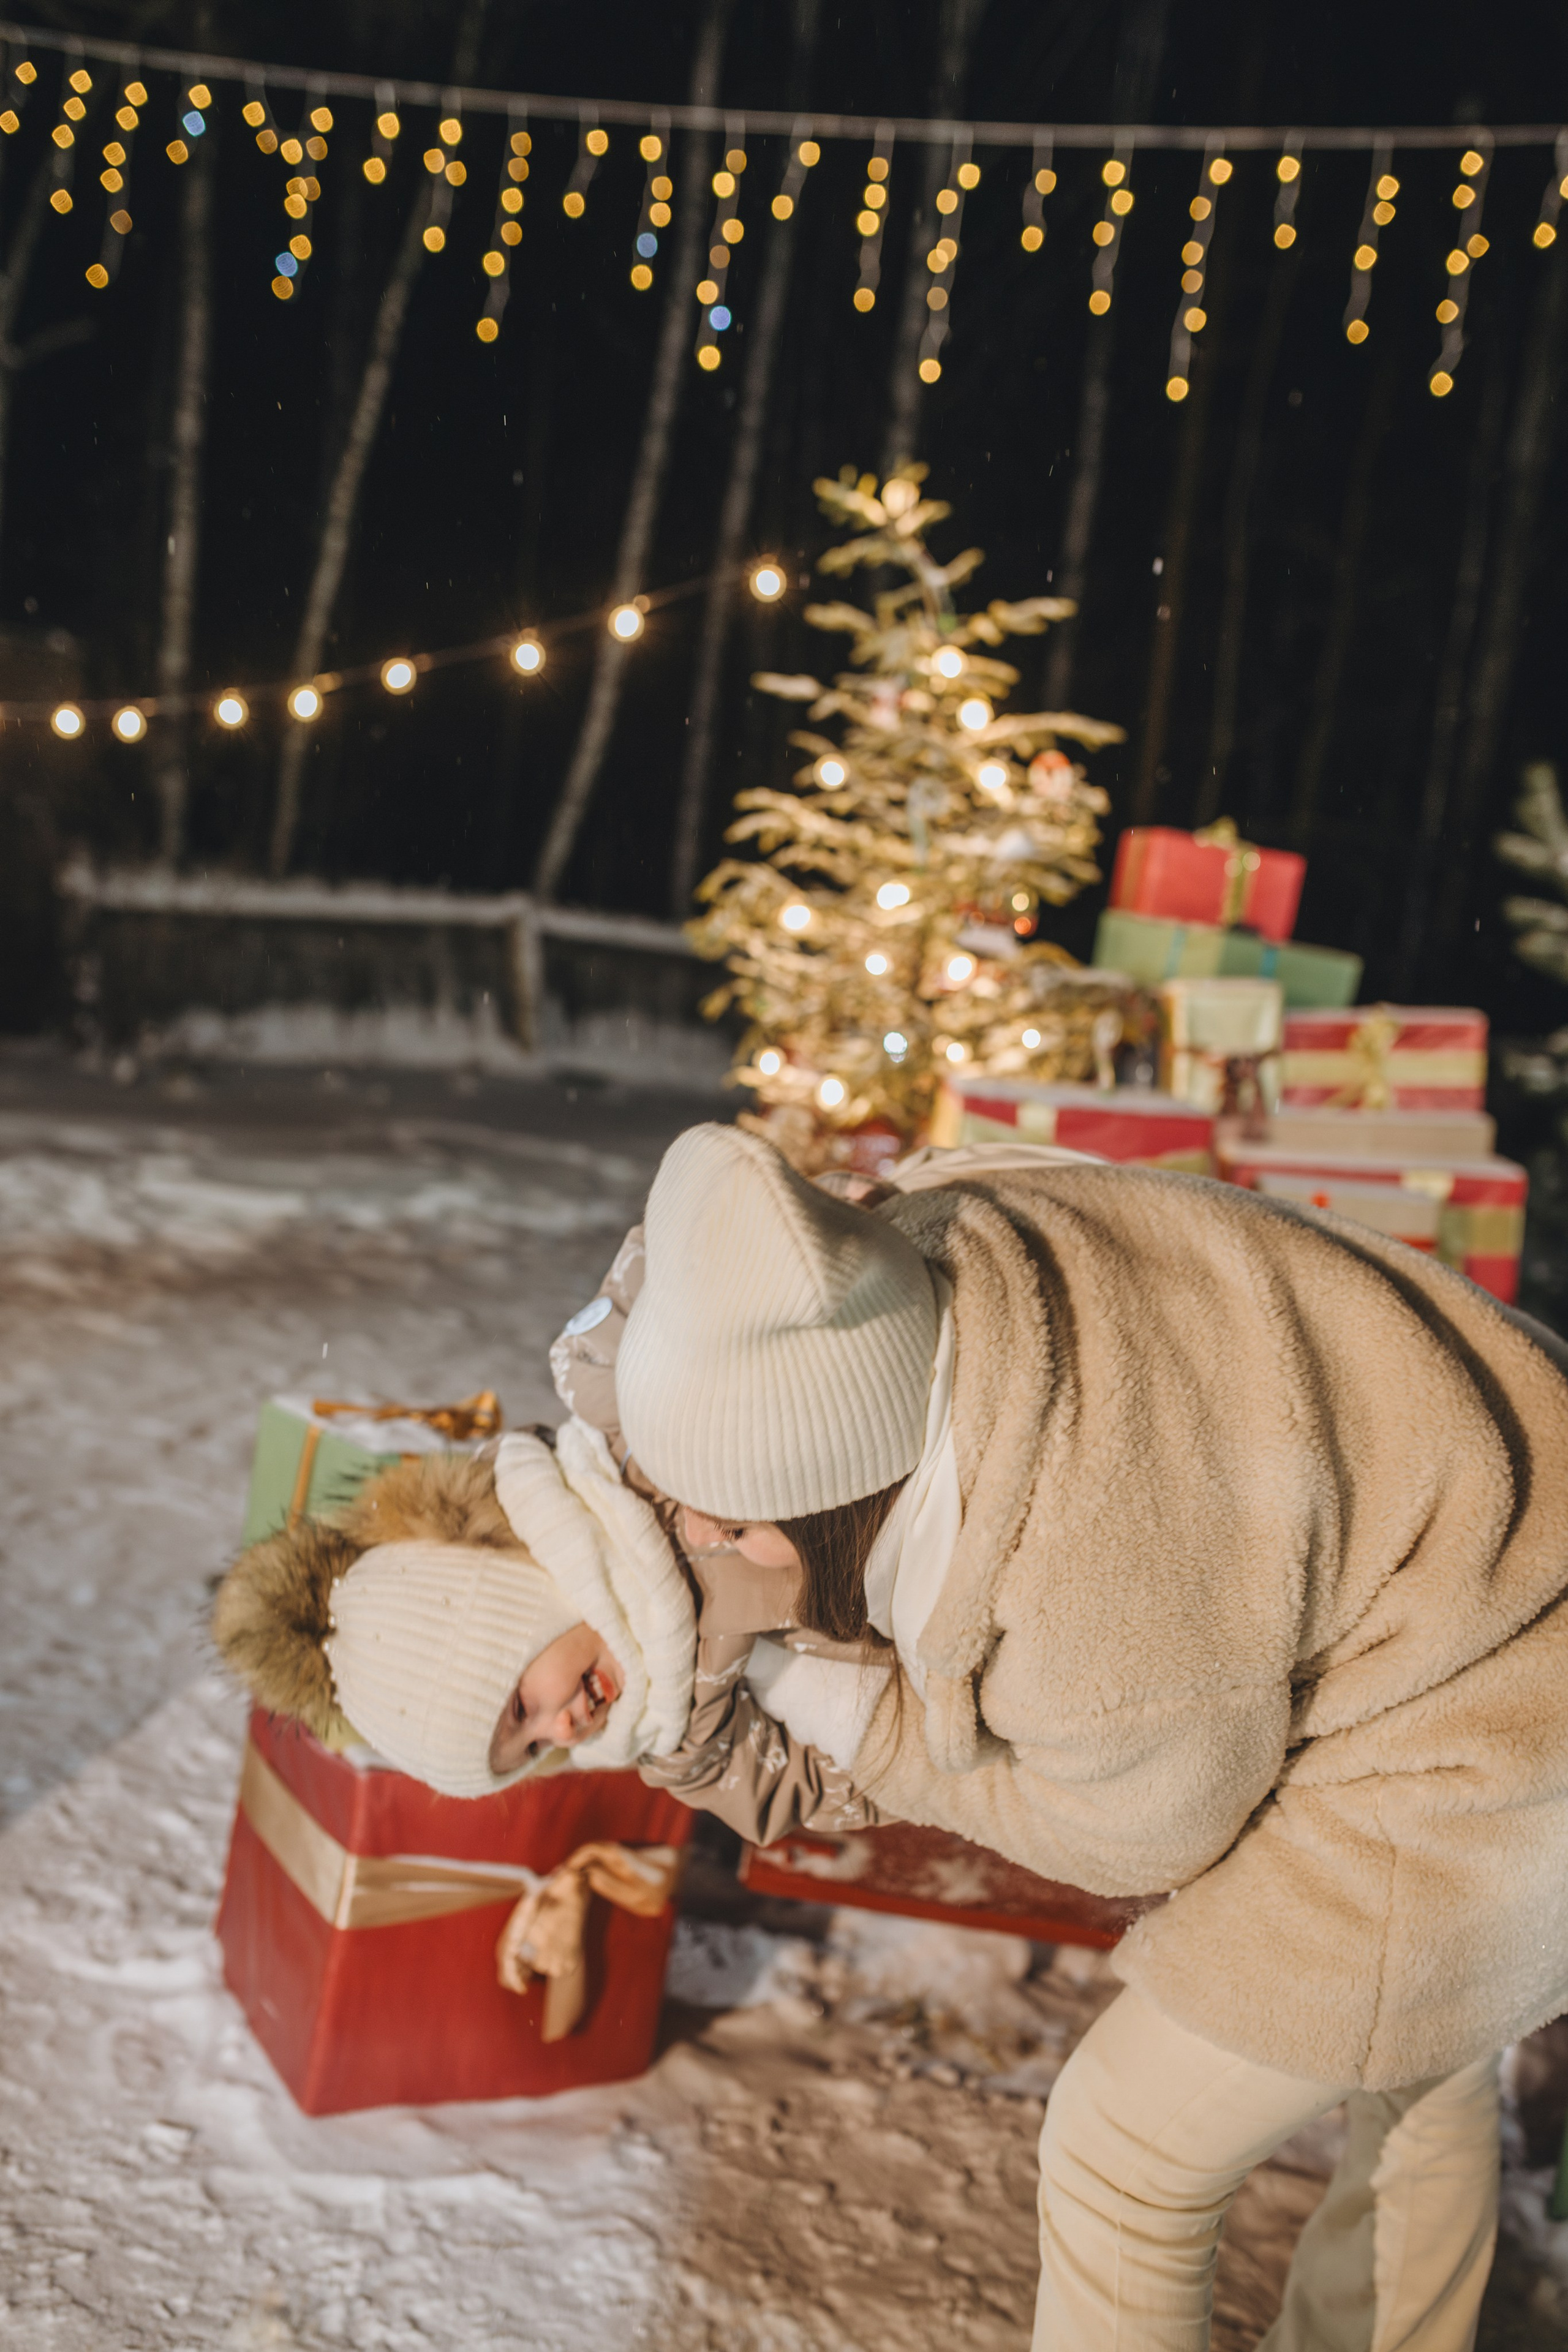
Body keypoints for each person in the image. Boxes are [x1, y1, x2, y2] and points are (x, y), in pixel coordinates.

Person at [582, 1118, 1568, 2352]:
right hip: (1507, 1525)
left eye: (716, 1525)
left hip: (1488, 1740)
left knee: (1123, 2153)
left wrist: (848, 1711)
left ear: (804, 1509)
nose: (701, 1545)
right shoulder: (935, 1253)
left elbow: (1134, 1835)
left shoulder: (1088, 1575)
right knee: (1423, 2046)